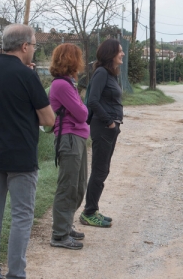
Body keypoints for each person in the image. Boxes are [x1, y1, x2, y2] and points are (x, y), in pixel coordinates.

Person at [0, 24, 55, 279]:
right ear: (24, 46)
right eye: (34, 45)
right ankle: (15, 274)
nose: (34, 49)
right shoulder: (27, 76)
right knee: (21, 216)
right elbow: (48, 119)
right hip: (21, 157)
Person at [79, 39, 124, 227]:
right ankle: (88, 212)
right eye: (120, 51)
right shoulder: (101, 73)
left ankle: (93, 209)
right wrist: (110, 123)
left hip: (110, 129)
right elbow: (93, 101)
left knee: (103, 170)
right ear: (111, 54)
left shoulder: (111, 74)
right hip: (103, 128)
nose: (122, 54)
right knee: (99, 170)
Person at [48, 44, 89, 250]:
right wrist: (82, 107)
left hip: (77, 137)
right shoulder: (62, 86)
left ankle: (65, 224)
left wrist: (81, 107)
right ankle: (59, 234)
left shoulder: (69, 83)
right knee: (68, 186)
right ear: (71, 60)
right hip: (69, 137)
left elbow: (81, 110)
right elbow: (82, 114)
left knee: (79, 185)